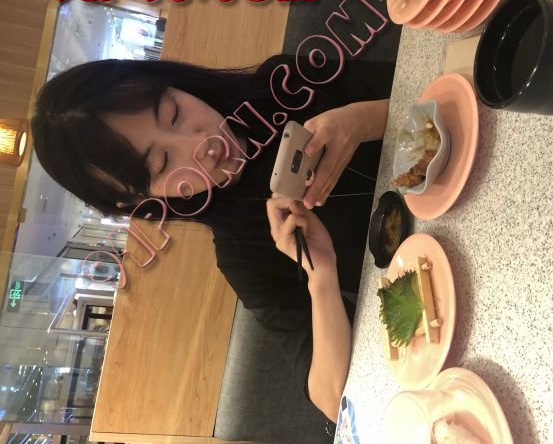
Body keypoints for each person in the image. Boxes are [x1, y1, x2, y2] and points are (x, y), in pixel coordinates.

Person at [30, 54, 394, 423]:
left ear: (176, 84)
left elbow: (426, 74)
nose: (201, 143)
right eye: (163, 162)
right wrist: (322, 275)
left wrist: (367, 119)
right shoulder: (244, 254)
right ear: (142, 201)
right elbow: (335, 400)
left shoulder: (286, 84)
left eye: (174, 112)